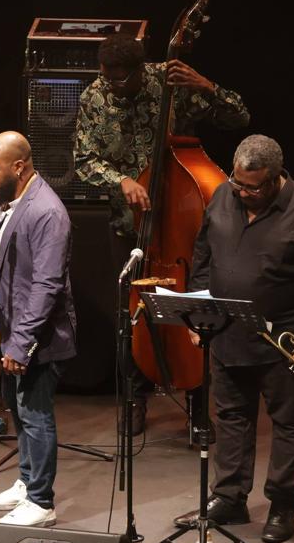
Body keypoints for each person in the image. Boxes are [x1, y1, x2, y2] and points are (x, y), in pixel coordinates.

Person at [73, 33, 250, 432]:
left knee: (193, 309)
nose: (109, 86)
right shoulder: (94, 97)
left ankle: (197, 402)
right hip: (129, 225)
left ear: (139, 70)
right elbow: (84, 159)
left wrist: (207, 87)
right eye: (105, 77)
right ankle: (135, 401)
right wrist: (121, 181)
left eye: (118, 79)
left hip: (180, 223)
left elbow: (239, 117)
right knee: (131, 313)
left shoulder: (169, 83)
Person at [172, 135, 294, 543]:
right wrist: (198, 315)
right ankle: (229, 497)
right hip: (228, 332)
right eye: (238, 183)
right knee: (230, 418)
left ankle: (282, 506)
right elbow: (203, 258)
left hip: (287, 339)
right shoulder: (223, 198)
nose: (244, 192)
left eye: (254, 187)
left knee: (288, 424)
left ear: (276, 176)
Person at [0, 131, 77, 527]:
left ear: (19, 166)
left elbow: (47, 286)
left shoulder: (47, 212)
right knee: (16, 407)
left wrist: (20, 344)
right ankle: (26, 480)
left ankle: (41, 501)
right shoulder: (8, 201)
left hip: (37, 337)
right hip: (12, 327)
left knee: (35, 414)